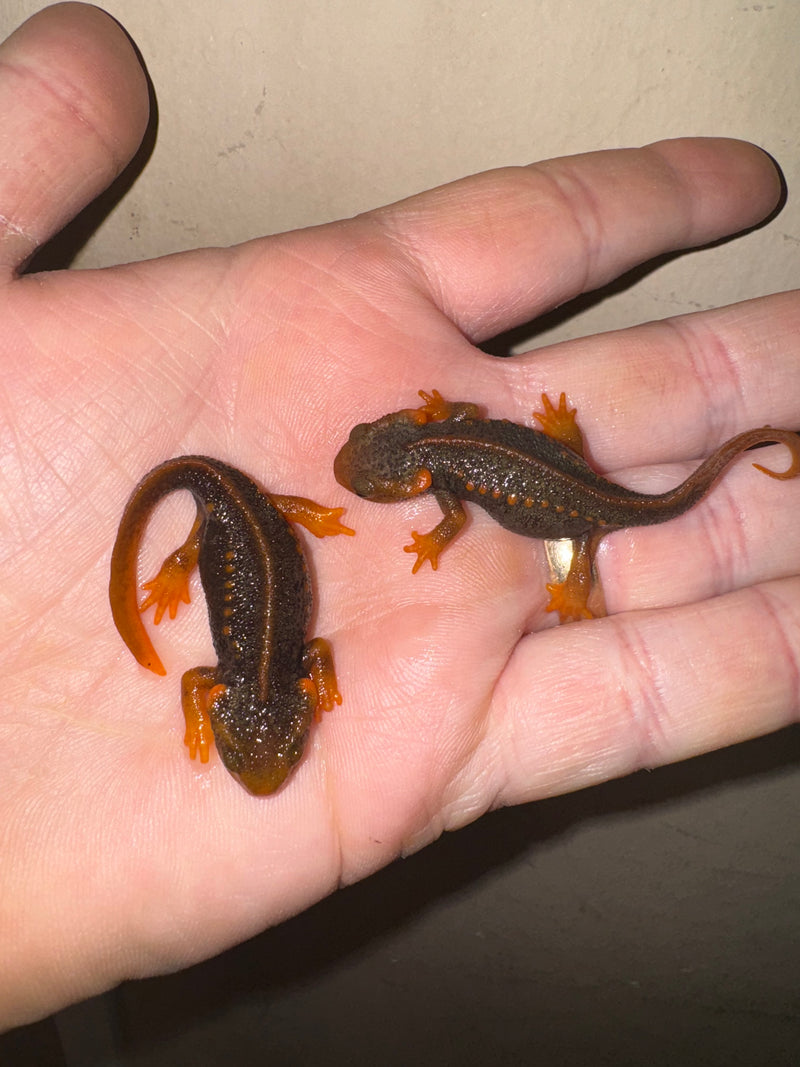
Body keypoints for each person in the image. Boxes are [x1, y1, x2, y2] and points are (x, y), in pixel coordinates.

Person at [2, 2, 798, 1032]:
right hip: (375, 495)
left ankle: (577, 555)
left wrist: (450, 525)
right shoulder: (323, 602)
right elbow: (438, 462)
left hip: (545, 501)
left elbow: (454, 483)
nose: (283, 736)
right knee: (540, 508)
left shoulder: (434, 488)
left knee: (574, 523)